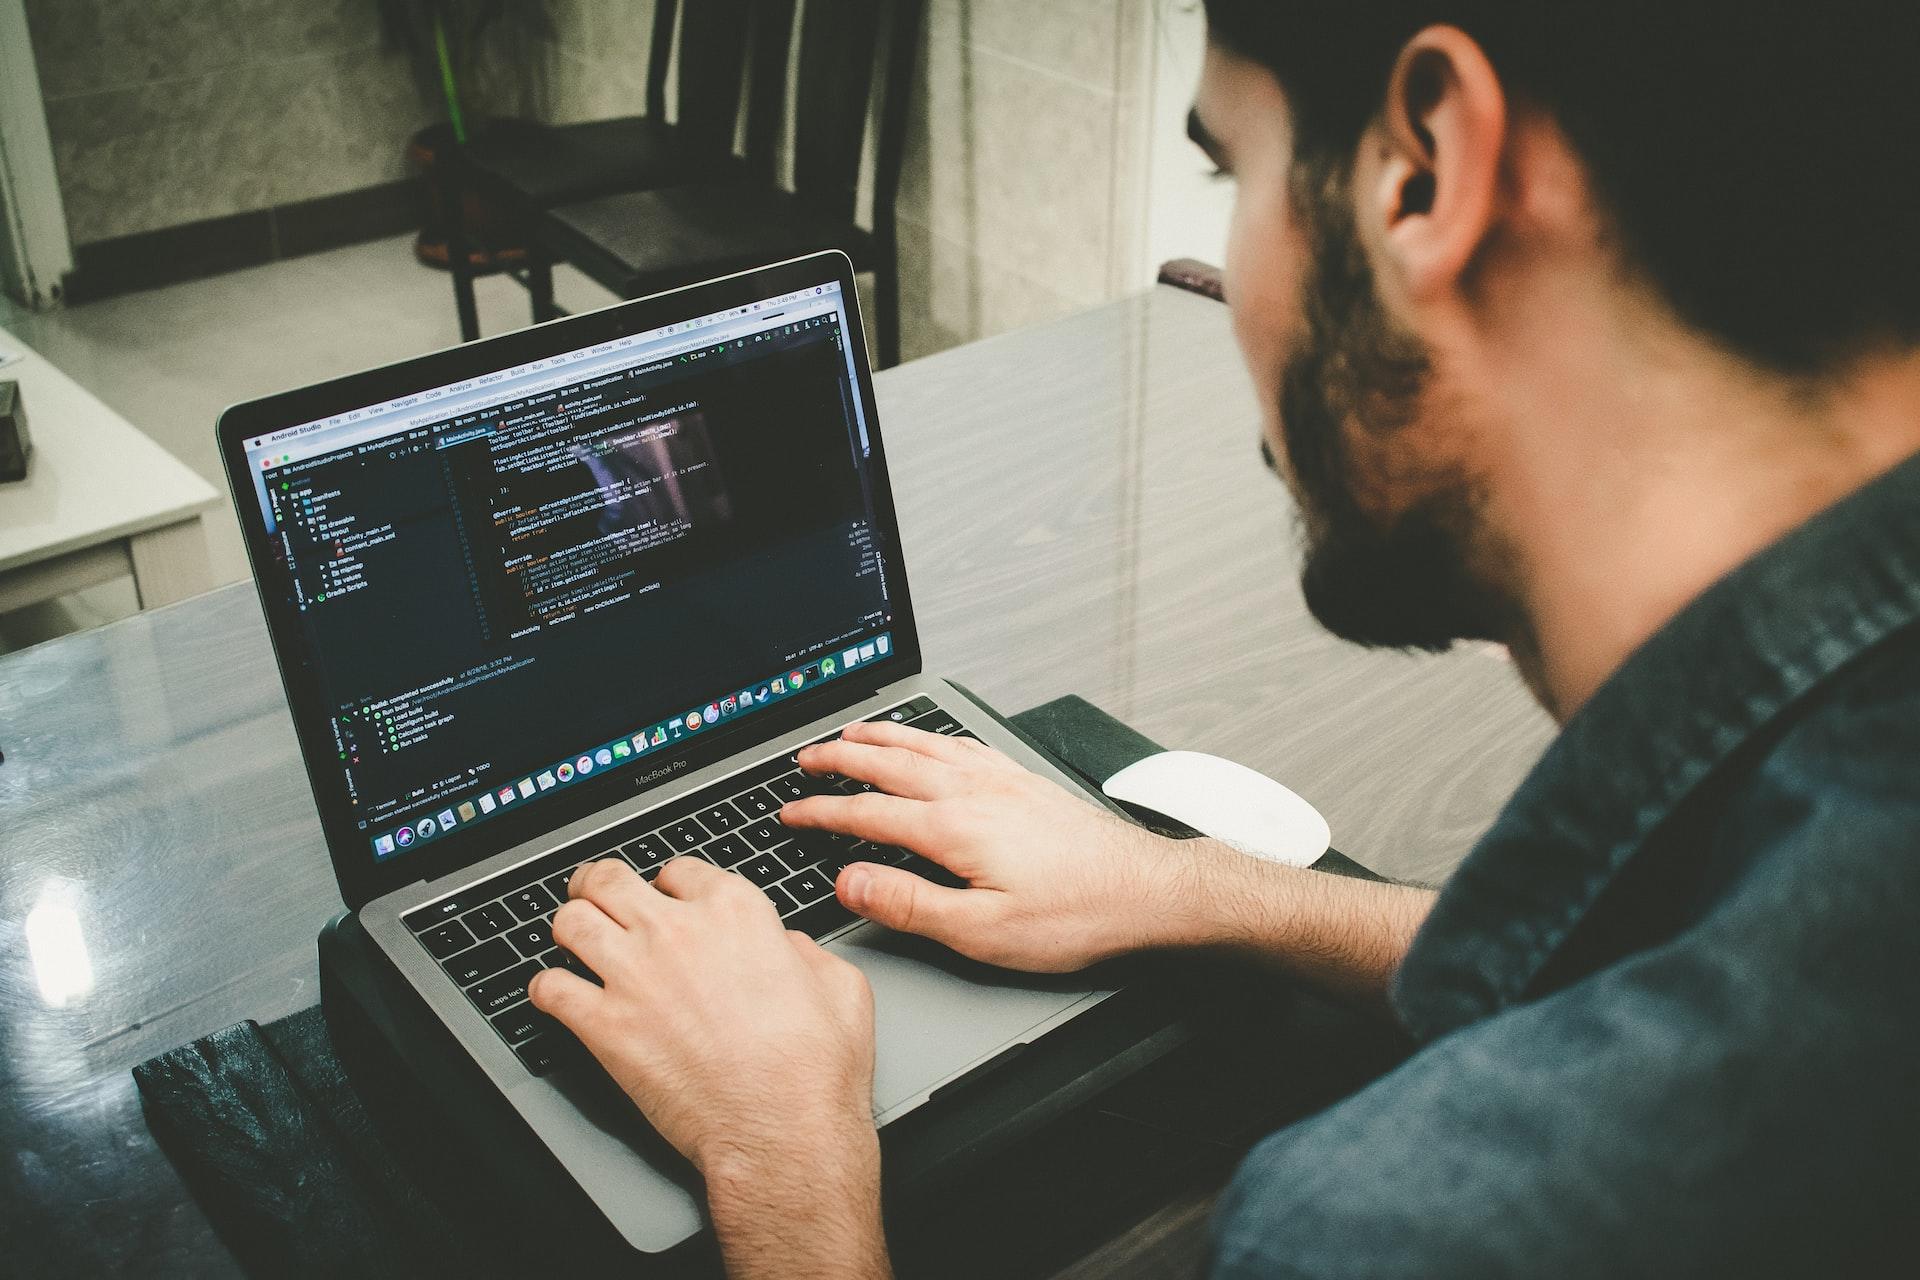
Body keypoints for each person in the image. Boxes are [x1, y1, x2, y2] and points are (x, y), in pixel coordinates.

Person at [528, 1, 1920, 1274]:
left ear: (1424, 171)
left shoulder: (1409, 1227)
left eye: (1230, 171)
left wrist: (784, 1161)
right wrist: (1191, 888)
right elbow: (1648, 932)